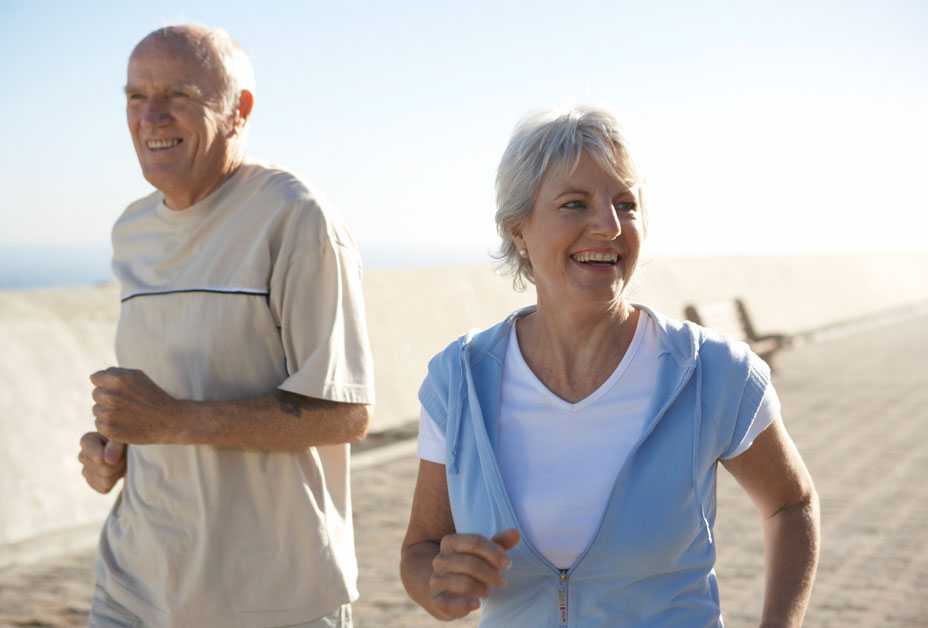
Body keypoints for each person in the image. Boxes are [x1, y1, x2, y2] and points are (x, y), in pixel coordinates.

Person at [400, 107, 820, 627]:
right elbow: (422, 546)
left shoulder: (712, 372)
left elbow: (791, 504)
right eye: (575, 204)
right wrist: (437, 585)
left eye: (626, 203)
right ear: (518, 230)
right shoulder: (458, 380)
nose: (610, 226)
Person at [76, 24, 374, 628]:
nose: (151, 116)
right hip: (136, 588)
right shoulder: (130, 230)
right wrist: (113, 449)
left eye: (178, 95)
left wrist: (173, 422)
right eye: (136, 97)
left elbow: (346, 413)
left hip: (272, 599)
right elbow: (164, 392)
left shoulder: (297, 219)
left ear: (239, 111)